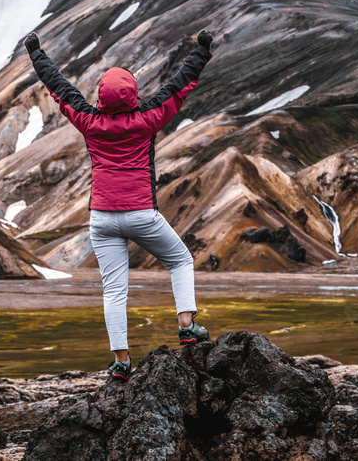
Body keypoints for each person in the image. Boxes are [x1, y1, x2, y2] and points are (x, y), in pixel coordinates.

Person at [24, 29, 215, 380]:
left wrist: (37, 54)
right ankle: (187, 325)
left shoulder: (89, 122)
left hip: (102, 217)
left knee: (114, 290)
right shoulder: (147, 120)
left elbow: (61, 89)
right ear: (133, 94)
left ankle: (121, 362)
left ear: (101, 96)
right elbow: (179, 86)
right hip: (141, 213)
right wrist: (201, 51)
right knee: (180, 259)